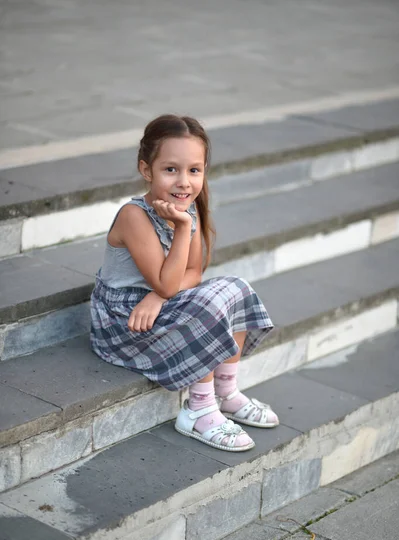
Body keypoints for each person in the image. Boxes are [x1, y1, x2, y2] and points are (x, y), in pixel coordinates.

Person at [90, 114, 279, 452]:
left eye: (194, 170)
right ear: (146, 170)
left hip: (153, 306)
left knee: (234, 288)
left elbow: (193, 273)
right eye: (170, 169)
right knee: (201, 307)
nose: (184, 182)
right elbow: (167, 282)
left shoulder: (187, 210)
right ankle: (198, 410)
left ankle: (225, 391)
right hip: (123, 322)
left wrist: (158, 298)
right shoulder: (135, 216)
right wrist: (180, 232)